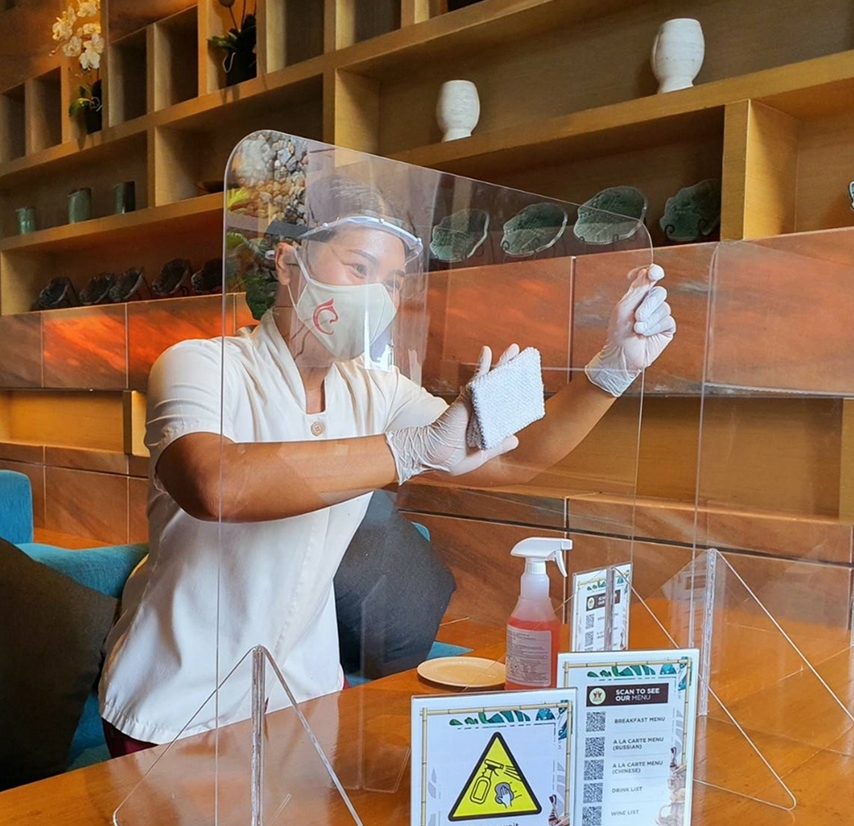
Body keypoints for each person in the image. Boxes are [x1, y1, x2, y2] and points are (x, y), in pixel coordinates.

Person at [98, 173, 675, 754]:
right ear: (289, 263)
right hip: (177, 702)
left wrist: (612, 370)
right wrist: (409, 450)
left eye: (393, 282)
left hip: (305, 695)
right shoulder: (199, 365)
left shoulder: (379, 389)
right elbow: (216, 485)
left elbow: (511, 456)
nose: (378, 296)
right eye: (359, 268)